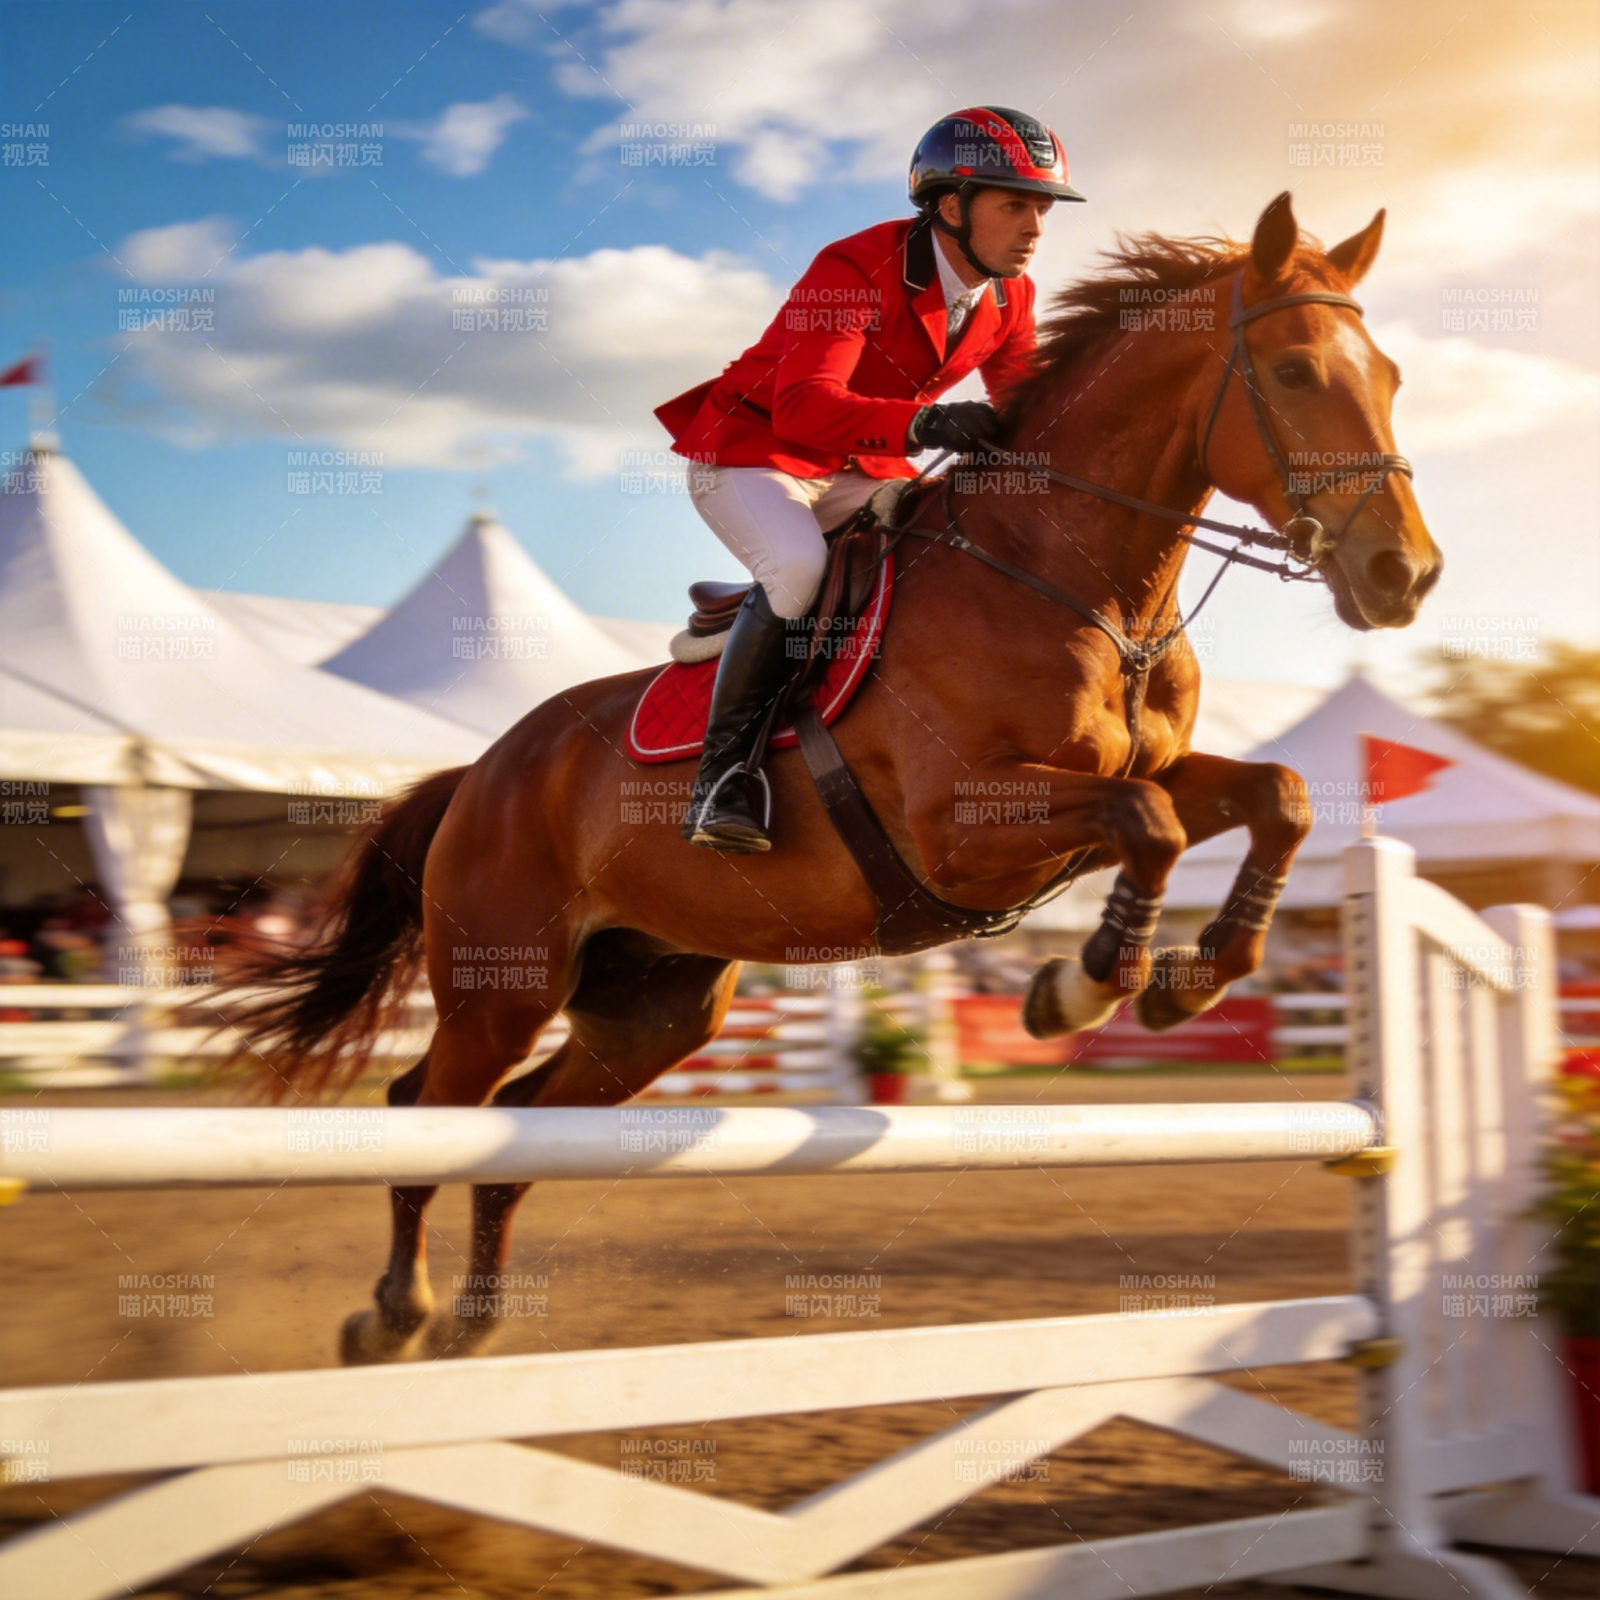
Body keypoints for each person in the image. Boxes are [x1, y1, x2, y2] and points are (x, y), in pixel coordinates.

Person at [656, 106, 1084, 853]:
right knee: (797, 567)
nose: (1036, 227)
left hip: (860, 464)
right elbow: (801, 407)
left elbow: (1024, 405)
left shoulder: (1012, 296)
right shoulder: (853, 267)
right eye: (1015, 204)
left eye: (1042, 207)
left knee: (943, 549)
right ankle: (723, 779)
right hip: (755, 452)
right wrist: (922, 425)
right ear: (951, 206)